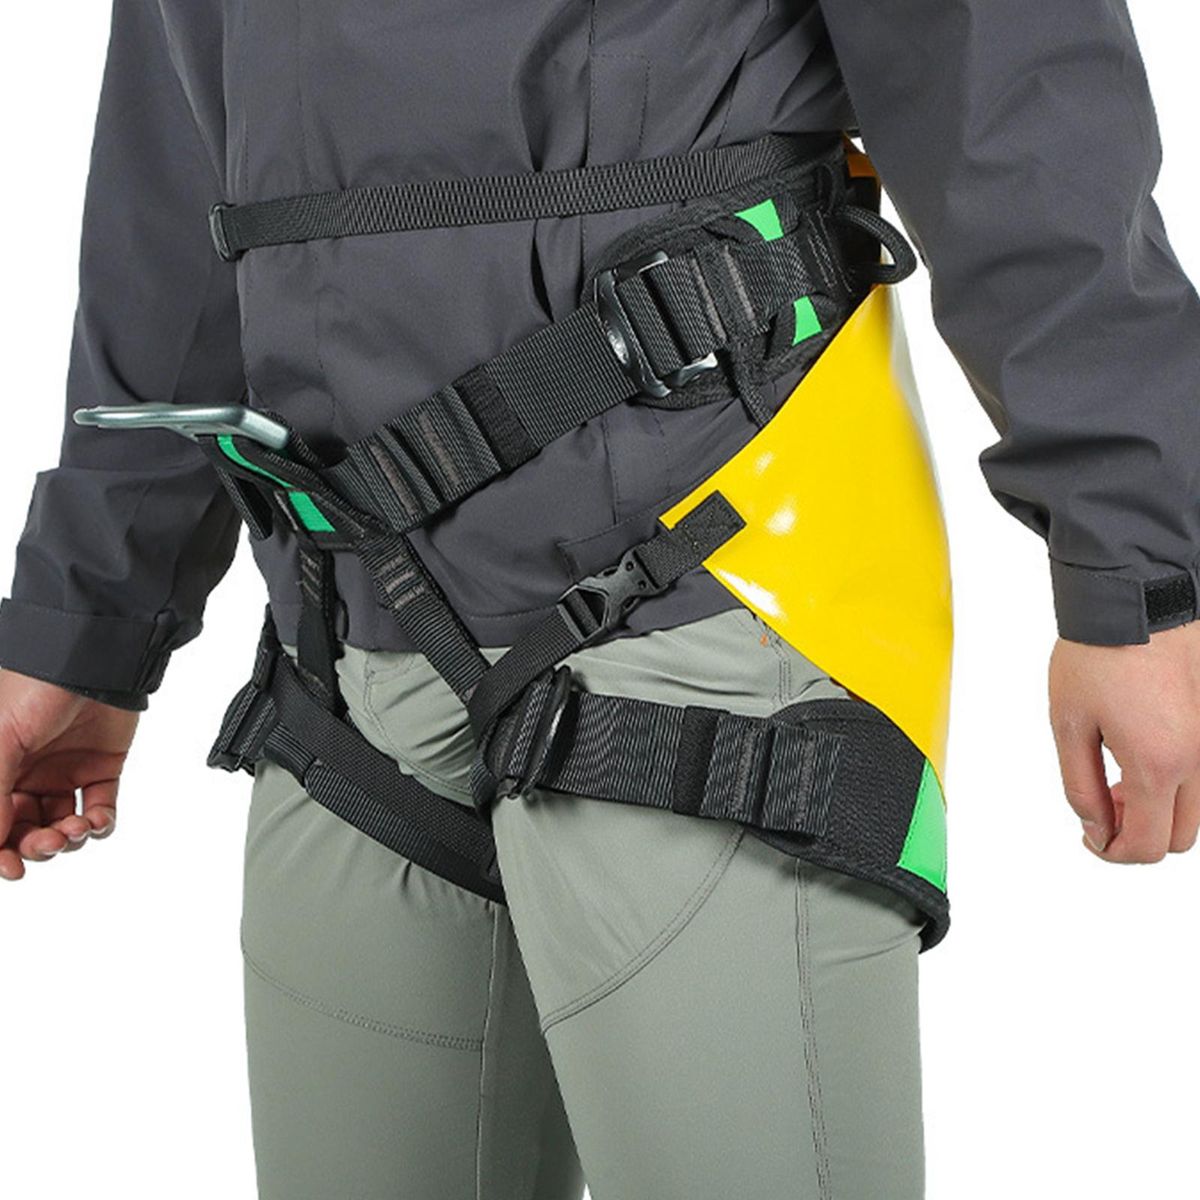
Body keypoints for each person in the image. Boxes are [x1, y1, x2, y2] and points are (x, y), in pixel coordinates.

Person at [1, 2, 1198, 1197]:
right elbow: (180, 173)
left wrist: (1137, 559)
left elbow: (1003, 80)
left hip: (702, 598)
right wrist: (86, 622)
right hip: (350, 658)